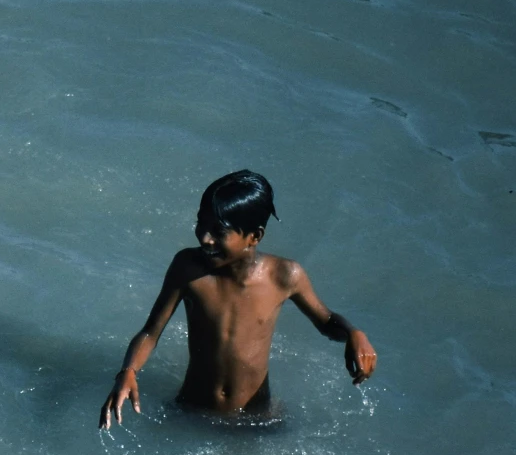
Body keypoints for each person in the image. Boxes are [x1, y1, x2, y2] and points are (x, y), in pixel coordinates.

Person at [99, 170, 377, 427]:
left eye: (218, 232)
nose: (205, 238)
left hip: (256, 420)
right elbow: (151, 332)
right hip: (191, 410)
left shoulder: (284, 275)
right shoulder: (188, 268)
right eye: (200, 224)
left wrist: (354, 333)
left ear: (254, 236)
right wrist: (129, 370)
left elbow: (326, 321)